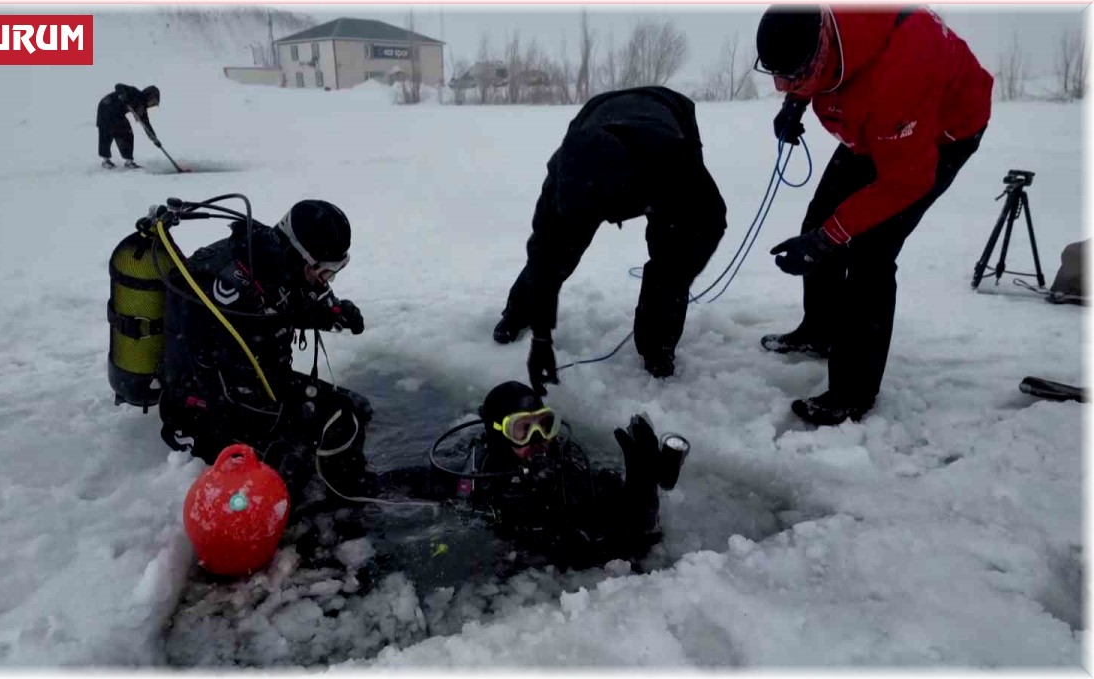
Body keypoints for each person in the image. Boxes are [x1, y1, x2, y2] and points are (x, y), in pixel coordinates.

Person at [755, 6, 992, 425]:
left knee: (870, 252)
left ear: (823, 48)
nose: (782, 87)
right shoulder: (820, 30)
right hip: (873, 123)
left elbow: (905, 181)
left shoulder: (902, 75)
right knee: (819, 221)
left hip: (939, 133)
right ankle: (820, 330)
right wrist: (796, 100)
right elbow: (814, 62)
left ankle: (853, 393)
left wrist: (827, 240)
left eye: (793, 78)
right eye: (779, 78)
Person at [491, 86, 728, 386]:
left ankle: (658, 346)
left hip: (667, 118)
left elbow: (710, 221)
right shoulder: (563, 172)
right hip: (598, 112)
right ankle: (517, 314)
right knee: (556, 250)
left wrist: (675, 276)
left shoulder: (675, 163)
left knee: (671, 260)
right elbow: (544, 250)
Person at [159, 199, 375, 508]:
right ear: (298, 254)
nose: (326, 280)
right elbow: (230, 393)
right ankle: (319, 515)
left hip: (259, 381)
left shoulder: (276, 263)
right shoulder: (229, 291)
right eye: (325, 271)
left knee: (354, 411)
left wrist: (336, 313)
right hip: (206, 411)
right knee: (318, 438)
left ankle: (341, 490)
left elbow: (297, 299)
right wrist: (297, 427)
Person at [379, 381, 690, 570]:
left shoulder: (569, 467)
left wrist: (642, 489)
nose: (539, 438)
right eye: (522, 429)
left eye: (544, 423)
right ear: (499, 435)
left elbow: (630, 541)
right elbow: (409, 482)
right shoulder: (475, 479)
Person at [97, 83, 160, 169]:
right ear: (149, 96)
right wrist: (122, 95)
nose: (152, 105)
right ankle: (106, 161)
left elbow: (146, 125)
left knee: (127, 133)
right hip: (106, 107)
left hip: (117, 114)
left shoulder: (141, 108)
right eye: (153, 101)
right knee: (107, 132)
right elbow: (118, 86)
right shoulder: (134, 92)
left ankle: (128, 161)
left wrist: (154, 139)